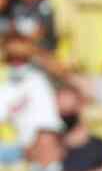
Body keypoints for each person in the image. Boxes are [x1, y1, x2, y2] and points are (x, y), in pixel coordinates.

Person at [0, 32, 62, 164]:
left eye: (21, 58)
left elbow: (48, 128)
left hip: (30, 151)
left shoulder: (38, 81)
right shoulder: (4, 79)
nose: (16, 63)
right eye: (11, 58)